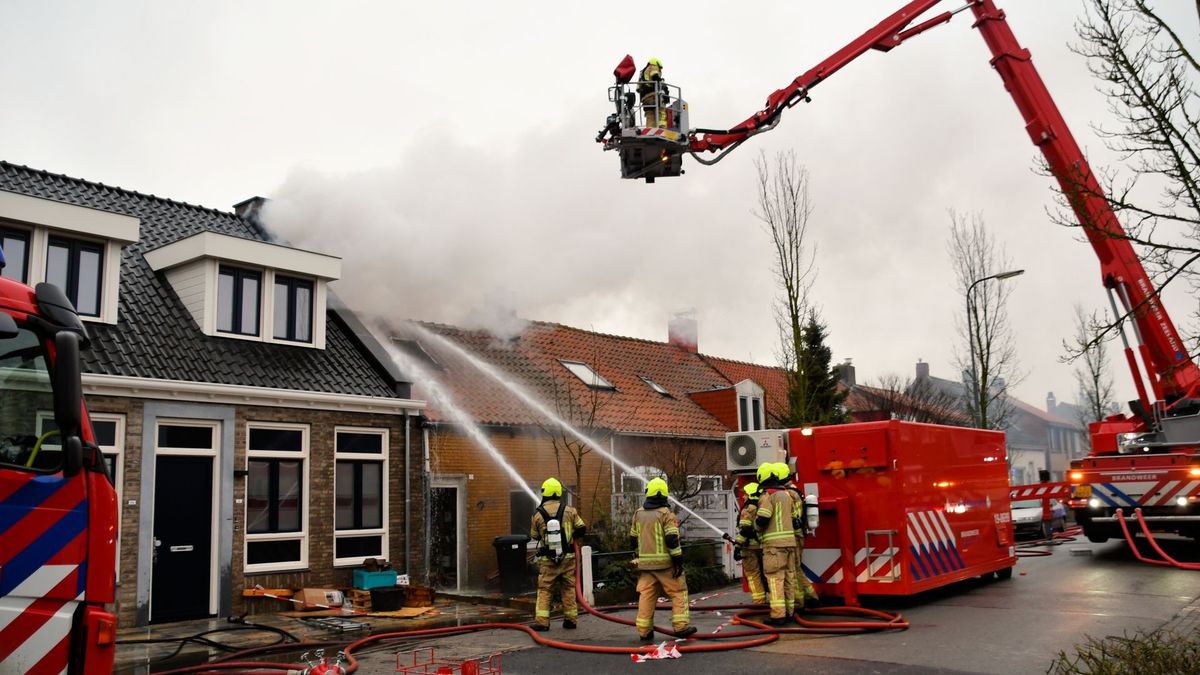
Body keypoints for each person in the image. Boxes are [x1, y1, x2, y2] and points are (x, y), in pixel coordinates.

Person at [630, 477, 698, 643]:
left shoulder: (638, 514)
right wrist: (678, 561)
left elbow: (632, 538)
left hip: (646, 565)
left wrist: (638, 556)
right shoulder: (666, 514)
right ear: (665, 495)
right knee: (678, 592)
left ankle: (644, 631)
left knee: (647, 595)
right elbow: (672, 539)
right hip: (666, 564)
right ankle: (681, 627)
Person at [530, 477, 586, 631]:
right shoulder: (570, 511)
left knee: (545, 589)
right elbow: (582, 528)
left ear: (544, 493)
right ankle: (571, 620)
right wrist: (572, 535)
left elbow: (534, 535)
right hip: (568, 558)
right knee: (568, 588)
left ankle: (542, 622)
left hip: (548, 560)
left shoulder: (537, 514)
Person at [754, 462, 799, 625]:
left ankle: (778, 615)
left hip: (774, 546)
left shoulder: (768, 495)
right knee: (788, 577)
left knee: (775, 579)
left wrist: (756, 528)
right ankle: (790, 612)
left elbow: (763, 518)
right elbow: (795, 519)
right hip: (790, 543)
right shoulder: (787, 494)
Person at [778, 463, 820, 610]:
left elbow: (791, 516)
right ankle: (810, 595)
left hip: (793, 535)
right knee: (796, 567)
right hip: (798, 534)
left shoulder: (789, 493)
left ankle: (799, 602)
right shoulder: (795, 490)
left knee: (792, 569)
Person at [734, 482, 767, 604]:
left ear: (751, 494)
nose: (743, 497)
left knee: (753, 574)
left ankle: (759, 600)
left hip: (750, 547)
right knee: (767, 573)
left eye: (745, 494)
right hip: (763, 545)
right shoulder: (763, 505)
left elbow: (745, 530)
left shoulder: (748, 509)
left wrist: (737, 546)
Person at [637, 58, 668, 128]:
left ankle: (650, 130)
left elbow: (638, 88)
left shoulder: (642, 73)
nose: (659, 70)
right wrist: (664, 90)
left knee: (650, 115)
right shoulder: (653, 67)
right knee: (661, 111)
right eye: (660, 68)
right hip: (653, 95)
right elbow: (655, 77)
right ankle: (662, 128)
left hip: (645, 98)